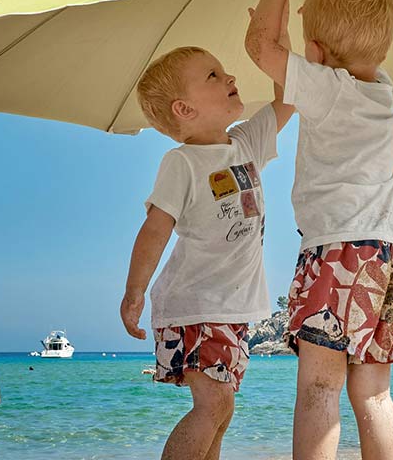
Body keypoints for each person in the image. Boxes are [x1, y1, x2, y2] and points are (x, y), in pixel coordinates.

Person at [246, 0, 393, 460]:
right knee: (374, 393)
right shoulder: (384, 91)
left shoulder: (327, 89)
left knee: (320, 388)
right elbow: (288, 61)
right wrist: (303, 41)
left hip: (341, 249)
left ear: (318, 54)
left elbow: (262, 49)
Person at [119, 40, 294, 460]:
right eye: (213, 76)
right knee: (212, 405)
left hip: (232, 309)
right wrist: (134, 291)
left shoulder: (246, 143)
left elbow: (289, 97)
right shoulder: (182, 163)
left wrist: (279, 37)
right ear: (184, 110)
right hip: (195, 303)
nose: (230, 78)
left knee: (223, 408)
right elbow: (155, 229)